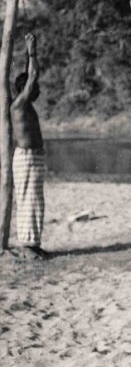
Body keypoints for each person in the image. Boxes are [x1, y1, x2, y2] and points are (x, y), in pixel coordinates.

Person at [11, 33, 48, 260]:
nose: (38, 89)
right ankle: (26, 246)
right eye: (34, 87)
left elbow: (30, 75)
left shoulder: (26, 105)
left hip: (34, 157)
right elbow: (32, 76)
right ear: (25, 89)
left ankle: (33, 243)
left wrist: (28, 55)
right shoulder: (19, 104)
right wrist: (32, 50)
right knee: (27, 199)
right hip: (25, 157)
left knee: (35, 200)